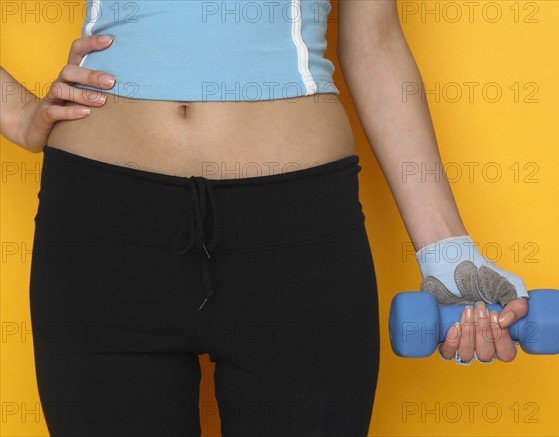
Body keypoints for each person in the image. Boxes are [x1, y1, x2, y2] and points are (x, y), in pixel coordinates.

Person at [1, 1, 529, 436]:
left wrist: (446, 252)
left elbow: (374, 42)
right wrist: (18, 113)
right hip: (104, 227)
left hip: (296, 232)